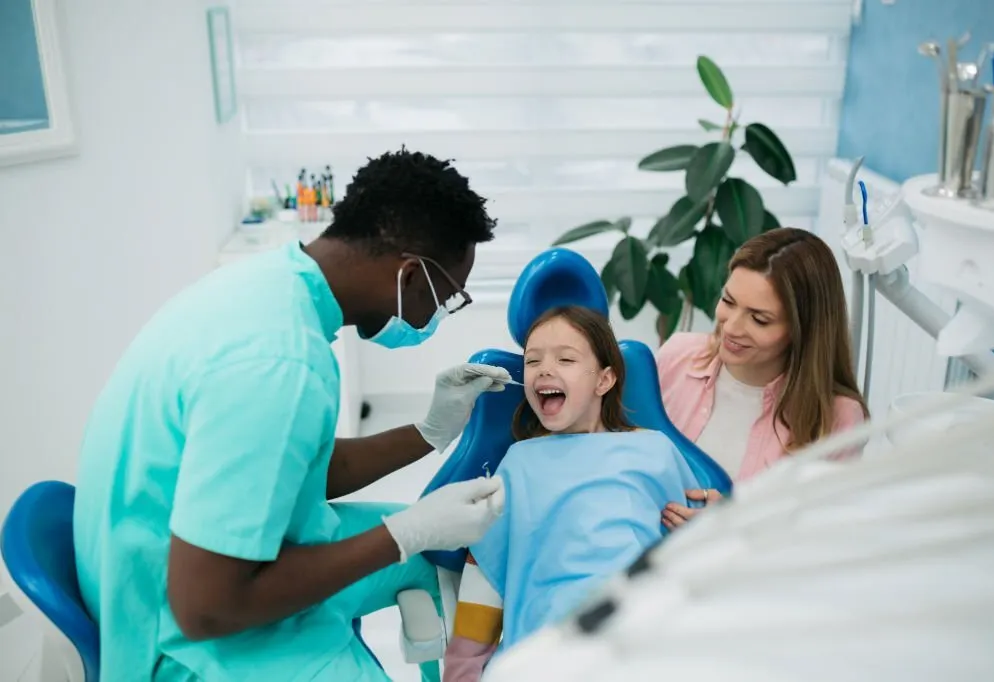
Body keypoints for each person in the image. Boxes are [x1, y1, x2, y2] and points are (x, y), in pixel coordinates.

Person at [73, 149, 514, 682]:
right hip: (179, 634)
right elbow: (207, 606)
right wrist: (405, 531)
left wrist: (430, 432)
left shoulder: (269, 286)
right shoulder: (279, 363)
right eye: (450, 295)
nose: (440, 312)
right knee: (414, 550)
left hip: (157, 562)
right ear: (412, 274)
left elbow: (284, 471)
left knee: (429, 562)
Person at [441, 306, 701, 681]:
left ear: (604, 379)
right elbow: (485, 571)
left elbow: (697, 544)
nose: (545, 369)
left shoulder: (654, 451)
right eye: (533, 361)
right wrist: (463, 667)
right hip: (546, 652)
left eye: (565, 358)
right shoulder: (519, 462)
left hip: (642, 643)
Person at [657, 227, 868, 530]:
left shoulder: (837, 419)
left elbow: (826, 538)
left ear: (802, 330)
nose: (731, 327)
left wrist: (735, 525)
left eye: (759, 319)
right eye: (728, 302)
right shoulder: (676, 358)